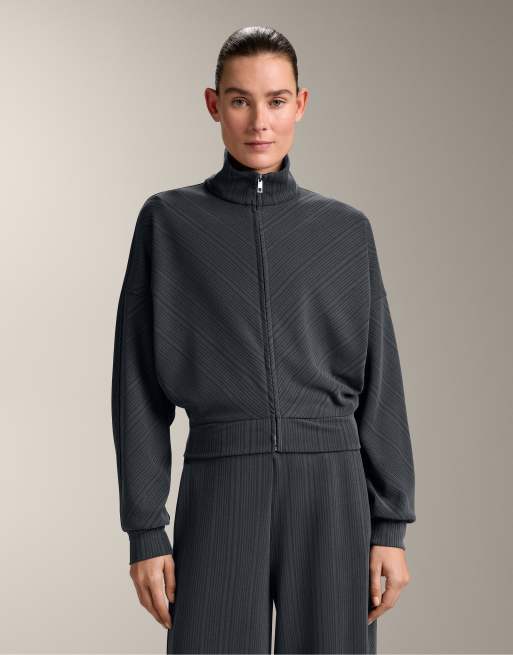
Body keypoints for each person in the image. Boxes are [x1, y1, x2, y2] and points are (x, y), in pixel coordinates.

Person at [111, 25, 416, 655]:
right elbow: (136, 383)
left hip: (332, 491)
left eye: (276, 101)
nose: (259, 122)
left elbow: (381, 380)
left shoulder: (345, 231)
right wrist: (145, 530)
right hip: (221, 483)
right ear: (213, 104)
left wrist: (390, 524)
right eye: (240, 100)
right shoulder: (169, 223)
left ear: (300, 104)